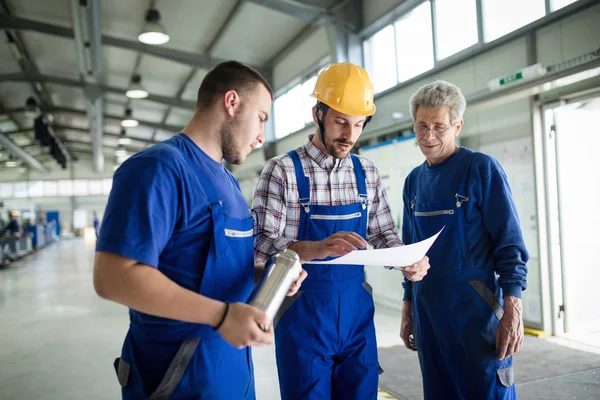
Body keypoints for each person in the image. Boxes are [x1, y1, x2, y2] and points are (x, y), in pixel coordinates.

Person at [93, 60, 305, 400]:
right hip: (176, 378)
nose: (262, 135)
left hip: (232, 372)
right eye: (262, 117)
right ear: (231, 102)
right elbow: (112, 276)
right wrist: (221, 316)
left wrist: (269, 277)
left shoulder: (229, 184)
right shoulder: (158, 169)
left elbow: (208, 268)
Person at [253, 62, 430, 400]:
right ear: (317, 113)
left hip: (356, 320)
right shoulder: (282, 171)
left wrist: (407, 258)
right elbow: (258, 245)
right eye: (340, 122)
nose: (349, 135)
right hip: (302, 316)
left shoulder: (367, 173)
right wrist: (314, 248)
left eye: (359, 124)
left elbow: (383, 233)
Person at [399, 80, 528, 399]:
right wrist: (408, 307)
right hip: (428, 312)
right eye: (421, 126)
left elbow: (510, 243)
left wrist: (513, 306)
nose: (428, 136)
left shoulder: (481, 170)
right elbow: (408, 250)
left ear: (457, 125)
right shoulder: (413, 182)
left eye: (439, 127)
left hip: (477, 311)